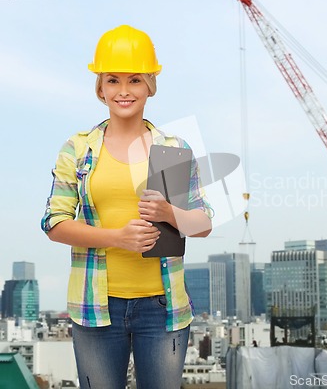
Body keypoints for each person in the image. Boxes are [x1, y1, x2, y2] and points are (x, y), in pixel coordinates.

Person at [41, 25, 213, 389]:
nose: (123, 91)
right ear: (100, 88)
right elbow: (54, 223)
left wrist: (169, 213)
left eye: (134, 80)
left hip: (163, 308)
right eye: (112, 80)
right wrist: (116, 237)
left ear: (150, 85)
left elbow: (202, 223)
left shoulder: (172, 148)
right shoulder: (79, 149)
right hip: (95, 306)